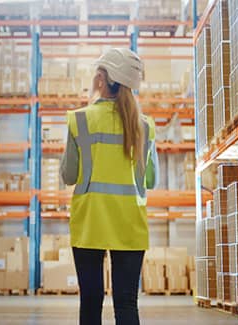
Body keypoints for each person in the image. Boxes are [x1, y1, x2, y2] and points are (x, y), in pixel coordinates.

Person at [59, 48, 158, 325]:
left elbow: (68, 175)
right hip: (130, 225)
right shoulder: (145, 127)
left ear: (102, 79)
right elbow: (151, 180)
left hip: (90, 223)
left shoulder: (79, 120)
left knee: (90, 302)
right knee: (127, 304)